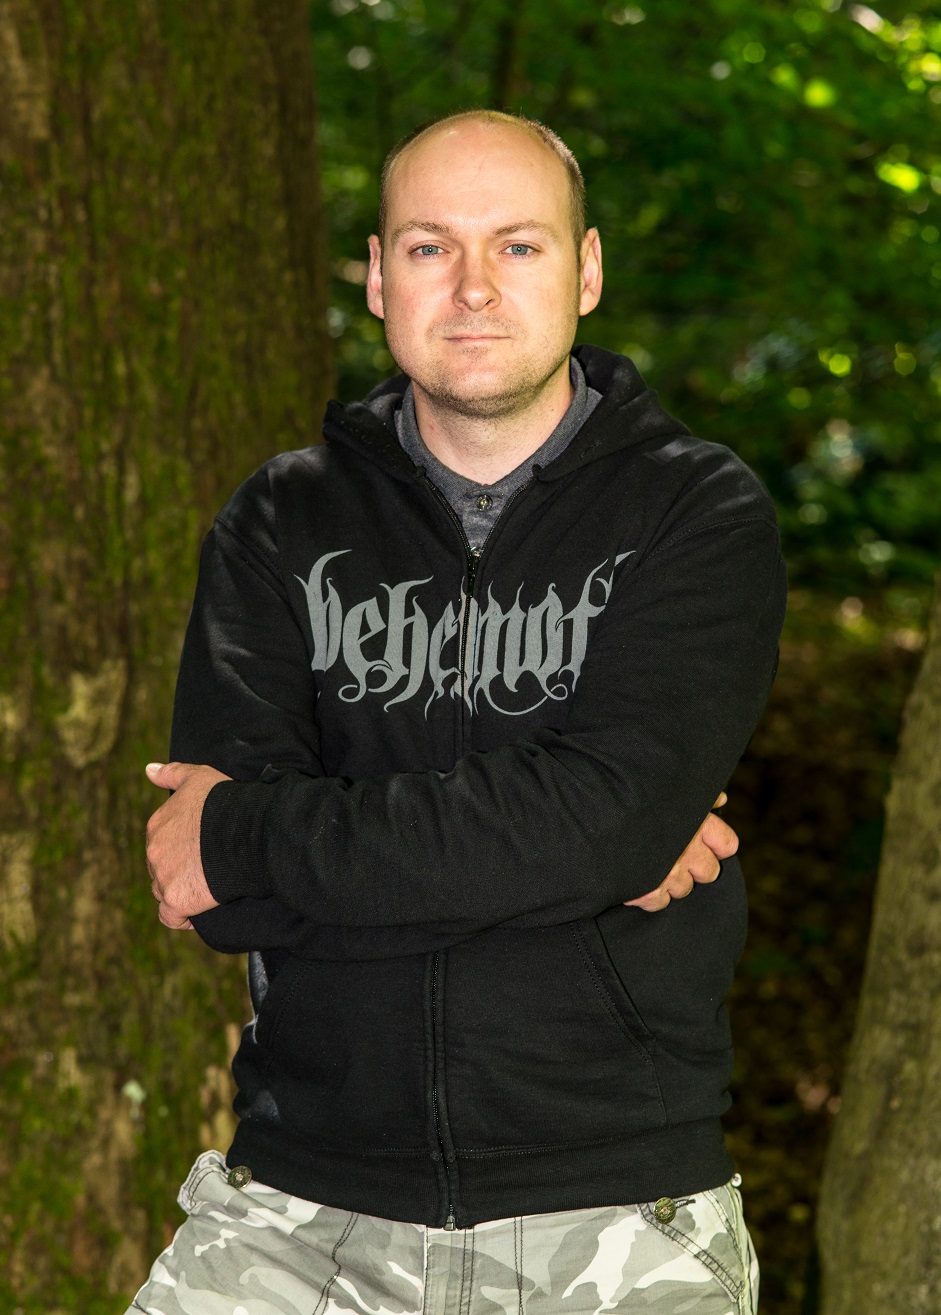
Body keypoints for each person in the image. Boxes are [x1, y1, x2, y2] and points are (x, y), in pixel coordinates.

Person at [131, 110, 786, 1315]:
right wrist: (582, 849)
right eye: (430, 247)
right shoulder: (280, 519)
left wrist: (249, 831)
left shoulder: (694, 512)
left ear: (585, 270)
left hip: (614, 1216)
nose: (473, 287)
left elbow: (591, 828)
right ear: (380, 278)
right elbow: (220, 902)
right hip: (297, 1216)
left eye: (517, 246)